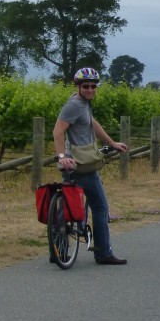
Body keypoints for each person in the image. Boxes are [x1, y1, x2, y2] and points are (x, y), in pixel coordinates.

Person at [52, 66, 128, 265]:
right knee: (100, 207)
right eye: (86, 86)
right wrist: (61, 156)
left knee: (67, 205)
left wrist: (111, 143)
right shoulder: (75, 105)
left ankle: (57, 251)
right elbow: (58, 132)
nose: (90, 90)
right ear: (78, 86)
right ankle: (103, 253)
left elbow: (92, 124)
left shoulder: (82, 103)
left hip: (72, 162)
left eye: (94, 86)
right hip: (81, 163)